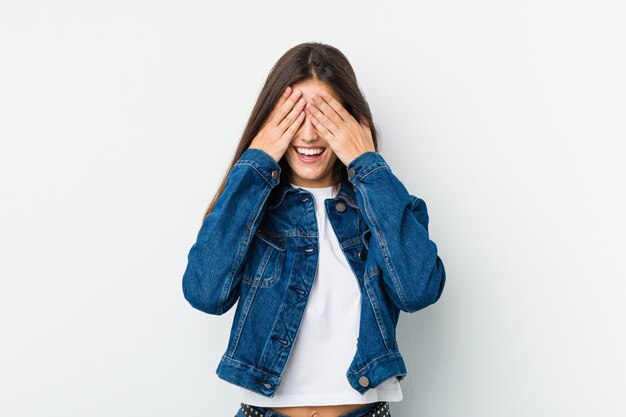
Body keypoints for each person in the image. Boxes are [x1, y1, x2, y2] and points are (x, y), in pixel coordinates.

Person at [182, 42, 446, 417]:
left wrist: (367, 163)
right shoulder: (252, 210)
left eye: (323, 116)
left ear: (353, 122)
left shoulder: (387, 204)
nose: (308, 135)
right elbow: (205, 293)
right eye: (294, 116)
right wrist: (255, 163)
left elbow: (418, 291)